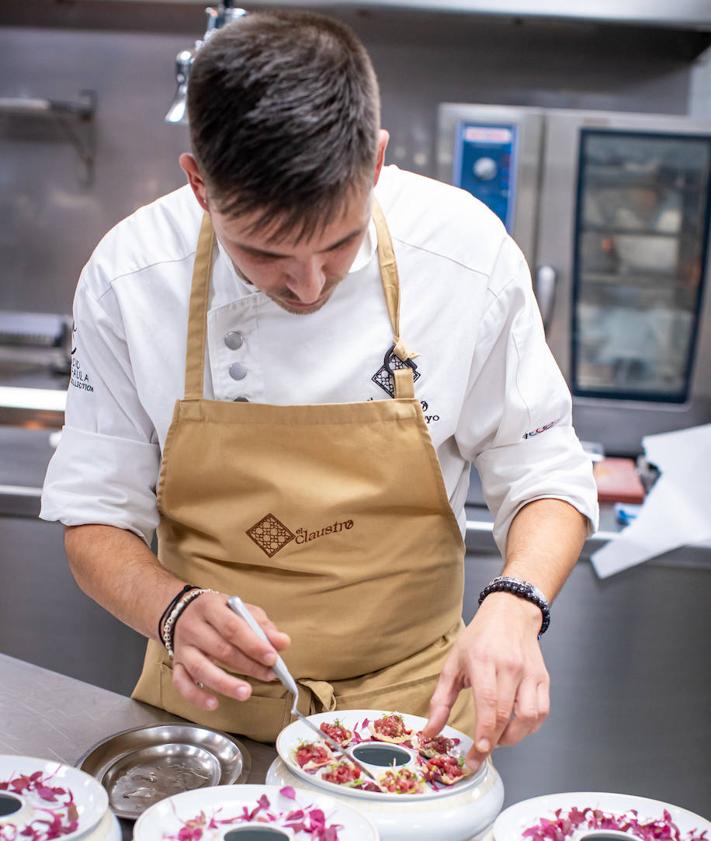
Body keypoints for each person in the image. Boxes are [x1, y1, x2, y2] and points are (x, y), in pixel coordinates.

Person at [41, 9, 598, 769]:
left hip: (414, 719)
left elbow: (543, 470)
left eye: (338, 243)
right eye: (262, 254)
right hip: (208, 723)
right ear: (199, 184)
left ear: (374, 163)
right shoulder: (130, 276)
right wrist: (170, 611)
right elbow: (95, 517)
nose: (306, 285)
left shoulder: (464, 255)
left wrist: (515, 603)